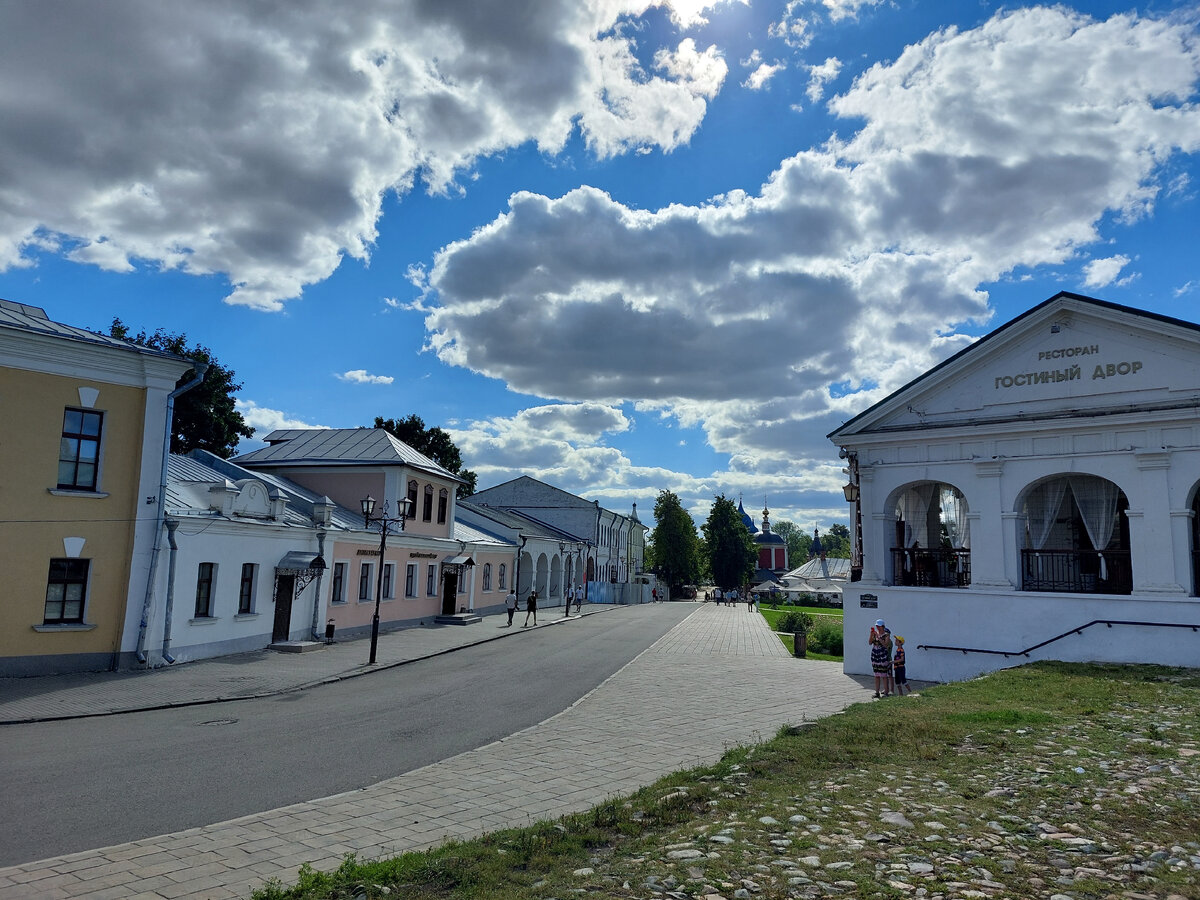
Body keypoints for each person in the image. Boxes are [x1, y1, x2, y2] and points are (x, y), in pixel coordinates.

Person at [869, 618, 893, 697]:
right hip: (875, 656)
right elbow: (870, 642)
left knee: (884, 675)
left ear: (883, 626)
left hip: (882, 656)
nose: (878, 628)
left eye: (879, 626)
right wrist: (871, 634)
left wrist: (878, 637)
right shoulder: (875, 634)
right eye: (877, 626)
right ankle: (877, 692)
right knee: (876, 675)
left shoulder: (886, 635)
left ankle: (886, 692)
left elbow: (886, 645)